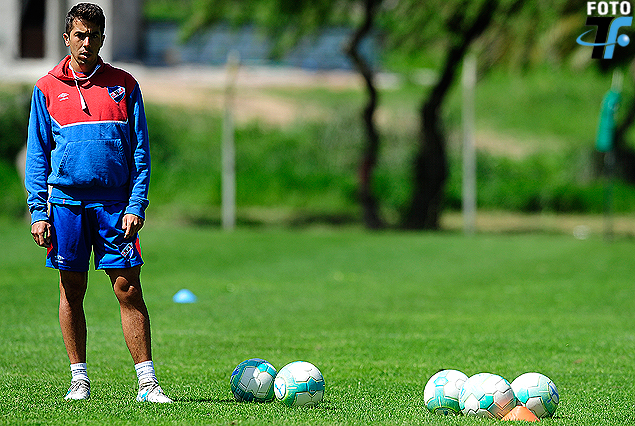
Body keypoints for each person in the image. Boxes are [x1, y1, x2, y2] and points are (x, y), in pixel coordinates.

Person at [25, 3, 172, 403]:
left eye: (93, 35)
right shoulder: (45, 88)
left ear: (103, 38)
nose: (86, 42)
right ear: (67, 38)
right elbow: (38, 155)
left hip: (114, 207)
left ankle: (148, 384)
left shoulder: (124, 85)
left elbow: (141, 152)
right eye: (79, 35)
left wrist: (136, 205)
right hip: (66, 206)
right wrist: (38, 211)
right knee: (71, 289)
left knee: (128, 289)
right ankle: (79, 381)